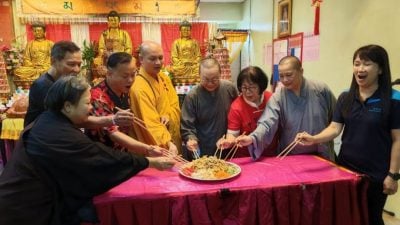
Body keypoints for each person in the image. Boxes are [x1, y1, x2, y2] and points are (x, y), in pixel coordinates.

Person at [0, 76, 176, 225]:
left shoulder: (49, 119)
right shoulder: (62, 135)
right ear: (68, 106)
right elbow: (103, 159)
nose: (91, 108)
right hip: (23, 210)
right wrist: (149, 162)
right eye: (86, 103)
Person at [296, 45, 400, 225]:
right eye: (357, 63)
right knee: (347, 216)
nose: (360, 69)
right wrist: (313, 138)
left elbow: (398, 140)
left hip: (376, 174)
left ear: (381, 69)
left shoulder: (393, 99)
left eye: (367, 64)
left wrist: (393, 175)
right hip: (346, 170)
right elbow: (335, 128)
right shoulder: (346, 96)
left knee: (371, 218)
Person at [236, 55, 336, 160]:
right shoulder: (278, 97)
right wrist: (253, 138)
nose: (285, 80)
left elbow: (336, 120)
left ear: (301, 71)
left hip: (321, 153)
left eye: (289, 75)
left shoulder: (320, 90)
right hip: (292, 155)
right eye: (281, 76)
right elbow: (267, 123)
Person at [24, 41, 133, 129]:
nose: (76, 70)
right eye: (71, 64)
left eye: (79, 64)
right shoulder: (43, 85)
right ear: (53, 61)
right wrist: (112, 120)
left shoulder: (66, 82)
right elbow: (73, 119)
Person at [86, 52, 164, 156]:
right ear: (109, 74)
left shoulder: (126, 90)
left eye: (133, 74)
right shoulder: (98, 96)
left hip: (123, 153)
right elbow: (113, 133)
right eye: (125, 76)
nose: (130, 80)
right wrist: (147, 149)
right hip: (102, 155)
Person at [130, 41, 181, 154]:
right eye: (152, 59)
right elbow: (149, 122)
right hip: (156, 143)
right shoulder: (138, 87)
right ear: (141, 59)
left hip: (172, 136)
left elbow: (174, 104)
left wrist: (168, 115)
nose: (158, 62)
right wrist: (167, 142)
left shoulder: (163, 78)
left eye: (160, 58)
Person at [181, 58, 238, 159]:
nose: (210, 83)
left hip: (226, 145)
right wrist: (191, 139)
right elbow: (187, 126)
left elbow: (238, 114)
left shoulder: (229, 88)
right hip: (202, 147)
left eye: (215, 79)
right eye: (206, 79)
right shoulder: (192, 96)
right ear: (199, 76)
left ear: (220, 74)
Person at [217, 66, 277, 157]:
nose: (247, 92)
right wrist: (228, 142)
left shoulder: (272, 99)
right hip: (247, 157)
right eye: (244, 88)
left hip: (271, 155)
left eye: (252, 87)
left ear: (261, 86)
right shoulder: (236, 107)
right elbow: (232, 135)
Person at [171, 20, 201, 84]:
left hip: (192, 65)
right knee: (175, 69)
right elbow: (174, 57)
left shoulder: (195, 42)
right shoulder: (176, 42)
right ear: (180, 31)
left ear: (190, 31)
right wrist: (182, 62)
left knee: (199, 68)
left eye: (188, 30)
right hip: (181, 65)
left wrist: (193, 62)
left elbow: (198, 56)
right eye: (184, 30)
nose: (186, 31)